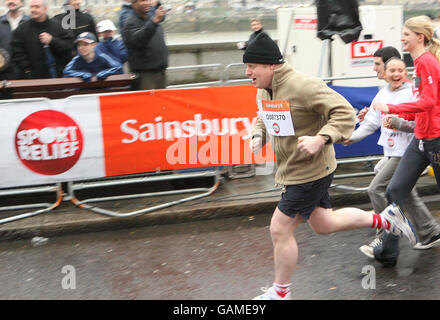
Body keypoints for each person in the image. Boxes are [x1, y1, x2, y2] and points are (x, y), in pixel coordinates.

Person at [245, 33, 417, 300]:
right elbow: (264, 117)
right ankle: (386, 219)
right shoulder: (264, 90)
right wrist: (259, 135)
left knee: (279, 228)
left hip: (309, 170)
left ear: (270, 65)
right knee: (324, 224)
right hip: (295, 169)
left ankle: (280, 293)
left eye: (251, 66)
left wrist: (321, 138)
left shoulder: (302, 85)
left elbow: (344, 111)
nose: (247, 73)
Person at [345, 57, 440, 266]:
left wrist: (397, 119)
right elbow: (371, 123)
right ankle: (429, 232)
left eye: (400, 70)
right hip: (392, 152)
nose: (396, 74)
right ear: (385, 73)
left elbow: (419, 120)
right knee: (402, 193)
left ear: (405, 73)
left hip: (408, 151)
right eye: (392, 70)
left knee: (376, 189)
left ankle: (383, 235)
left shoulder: (411, 92)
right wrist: (351, 138)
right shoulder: (382, 93)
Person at [373, 16, 440, 263]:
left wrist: (391, 108)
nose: (401, 38)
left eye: (406, 34)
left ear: (419, 37)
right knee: (394, 190)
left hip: (436, 139)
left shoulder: (427, 62)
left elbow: (429, 102)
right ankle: (388, 252)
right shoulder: (420, 62)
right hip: (420, 139)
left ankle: (427, 234)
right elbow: (421, 105)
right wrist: (396, 111)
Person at [10, 0, 74, 79]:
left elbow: (68, 46)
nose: (33, 10)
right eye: (31, 7)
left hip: (58, 77)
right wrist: (27, 69)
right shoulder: (22, 29)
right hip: (32, 78)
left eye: (37, 7)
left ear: (45, 8)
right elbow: (16, 52)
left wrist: (52, 41)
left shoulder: (58, 26)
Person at [122, 0, 168, 90]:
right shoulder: (130, 23)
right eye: (142, 1)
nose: (146, 3)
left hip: (160, 70)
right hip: (145, 74)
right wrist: (154, 22)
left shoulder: (151, 19)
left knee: (161, 103)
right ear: (134, 4)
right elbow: (138, 40)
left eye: (147, 0)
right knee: (147, 102)